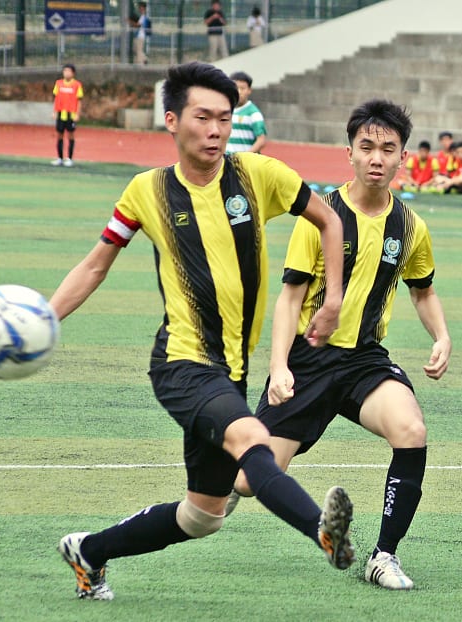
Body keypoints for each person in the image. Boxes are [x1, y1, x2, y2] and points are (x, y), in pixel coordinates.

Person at [52, 62, 355, 601]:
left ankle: (89, 552)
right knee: (251, 438)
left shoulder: (257, 175)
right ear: (172, 120)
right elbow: (96, 265)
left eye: (224, 117)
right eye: (203, 117)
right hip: (181, 362)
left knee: (203, 516)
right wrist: (46, 319)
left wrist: (331, 299)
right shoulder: (146, 191)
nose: (215, 129)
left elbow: (329, 219)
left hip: (230, 373)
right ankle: (321, 531)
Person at [227, 99, 451, 591]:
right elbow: (289, 299)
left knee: (411, 430)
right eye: (366, 146)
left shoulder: (411, 228)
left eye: (387, 149)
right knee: (246, 481)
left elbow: (424, 290)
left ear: (402, 158)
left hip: (365, 361)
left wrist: (441, 335)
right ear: (348, 151)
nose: (376, 157)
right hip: (307, 361)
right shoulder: (322, 215)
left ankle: (383, 557)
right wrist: (280, 366)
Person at [225, 71, 266, 154]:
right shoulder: (225, 110)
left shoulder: (254, 113)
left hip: (244, 163)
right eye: (236, 88)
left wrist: (245, 157)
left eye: (242, 88)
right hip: (227, 160)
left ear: (249, 90)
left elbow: (261, 140)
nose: (239, 92)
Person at [51, 63, 83, 167]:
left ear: (73, 73)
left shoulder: (77, 85)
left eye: (68, 71)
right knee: (59, 135)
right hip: (61, 113)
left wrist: (78, 113)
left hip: (71, 114)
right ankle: (60, 158)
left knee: (71, 135)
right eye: (65, 71)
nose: (66, 73)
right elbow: (56, 99)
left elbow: (79, 101)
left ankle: (69, 158)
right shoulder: (59, 83)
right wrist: (55, 111)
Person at [129, 2, 152, 66]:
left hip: (140, 36)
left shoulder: (143, 17)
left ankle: (140, 64)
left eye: (141, 7)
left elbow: (138, 25)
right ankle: (145, 59)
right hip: (137, 35)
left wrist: (130, 22)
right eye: (139, 7)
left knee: (139, 51)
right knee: (135, 49)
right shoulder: (141, 16)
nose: (139, 9)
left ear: (144, 8)